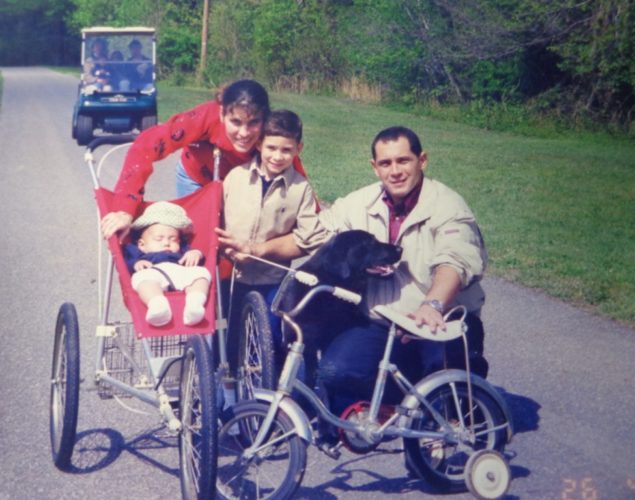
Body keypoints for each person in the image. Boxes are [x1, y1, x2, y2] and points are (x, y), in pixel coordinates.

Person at [315, 125, 489, 419]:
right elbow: (314, 235)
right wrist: (256, 247)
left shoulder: (448, 205)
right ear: (374, 167)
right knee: (334, 371)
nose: (394, 171)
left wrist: (432, 306)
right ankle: (400, 399)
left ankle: (459, 396)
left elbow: (454, 260)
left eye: (403, 161)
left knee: (442, 370)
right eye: (385, 163)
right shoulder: (358, 203)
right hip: (381, 323)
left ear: (422, 160)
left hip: (438, 323)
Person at [101, 79, 301, 241]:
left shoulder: (271, 133)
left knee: (233, 236)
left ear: (264, 118)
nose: (244, 133)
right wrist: (124, 209)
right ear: (222, 113)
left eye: (253, 123)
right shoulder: (205, 117)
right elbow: (146, 145)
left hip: (239, 184)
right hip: (196, 177)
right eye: (236, 122)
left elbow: (296, 178)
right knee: (198, 237)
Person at [215, 109, 327, 361]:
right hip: (231, 278)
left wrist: (260, 250)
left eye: (286, 150)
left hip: (272, 279)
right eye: (271, 148)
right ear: (258, 145)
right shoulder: (235, 178)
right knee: (227, 339)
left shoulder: (301, 188)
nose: (278, 156)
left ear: (299, 148)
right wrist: (227, 249)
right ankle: (226, 391)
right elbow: (217, 222)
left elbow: (308, 238)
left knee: (272, 340)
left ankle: (267, 389)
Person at [124, 201, 211, 327]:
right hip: (154, 272)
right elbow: (126, 261)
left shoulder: (182, 250)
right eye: (159, 239)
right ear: (142, 244)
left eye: (173, 239)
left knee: (201, 273)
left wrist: (196, 253)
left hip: (180, 271)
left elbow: (197, 258)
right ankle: (158, 306)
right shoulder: (137, 252)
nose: (166, 243)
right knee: (141, 278)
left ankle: (195, 303)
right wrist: (136, 263)